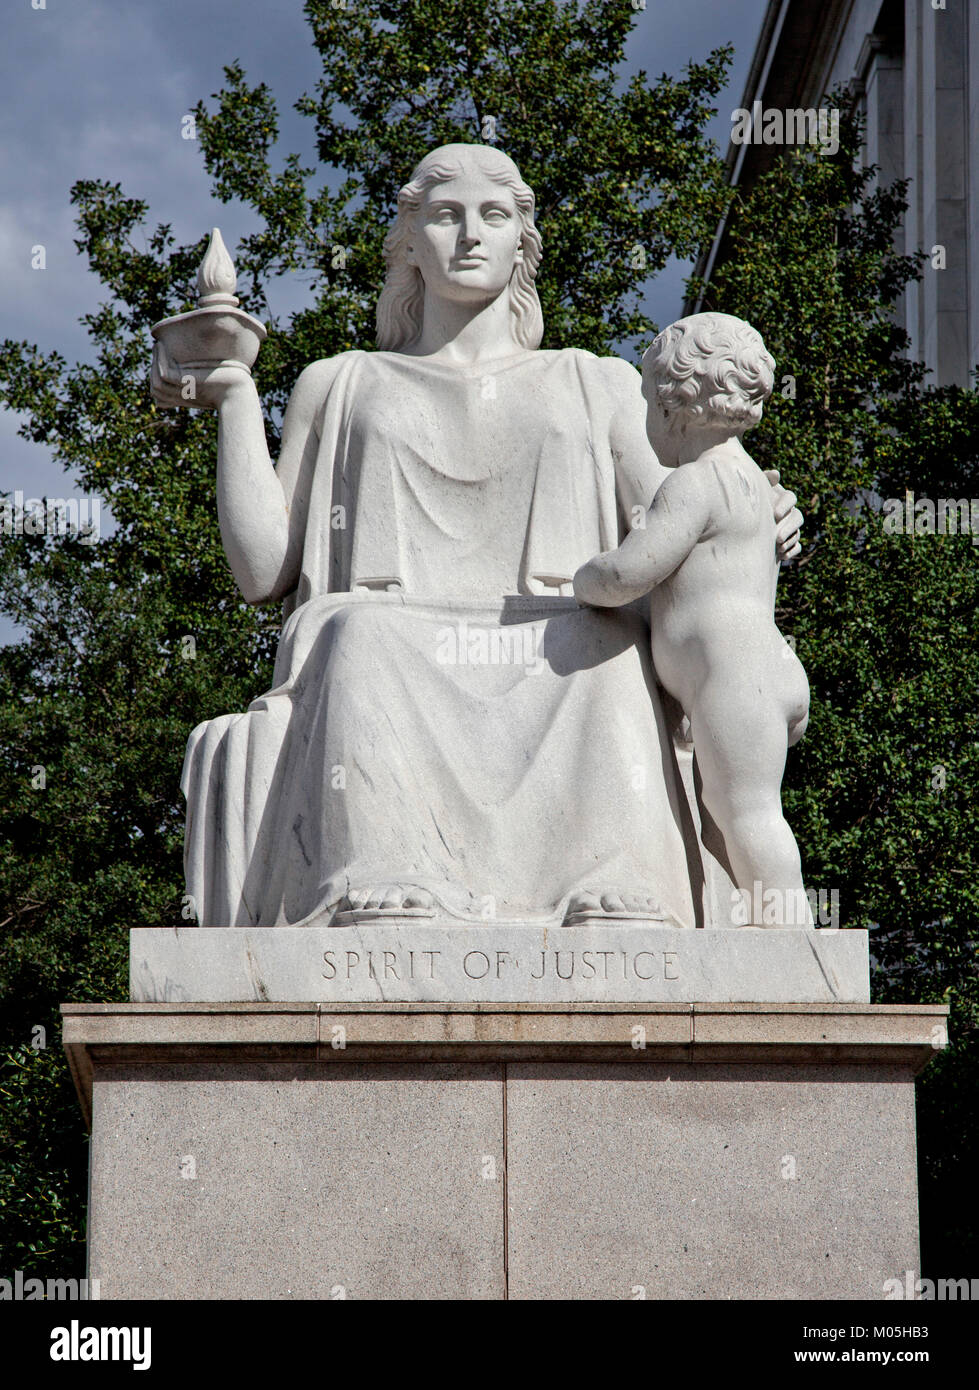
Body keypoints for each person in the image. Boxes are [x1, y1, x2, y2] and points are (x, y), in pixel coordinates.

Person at [151, 144, 803, 930]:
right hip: (391, 636)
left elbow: (689, 507)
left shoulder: (594, 383)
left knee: (607, 644)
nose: (469, 235)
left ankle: (617, 883)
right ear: (409, 241)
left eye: (492, 216)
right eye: (444, 215)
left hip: (560, 636)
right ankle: (388, 876)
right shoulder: (343, 380)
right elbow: (262, 571)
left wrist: (766, 513)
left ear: (521, 243)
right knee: (362, 634)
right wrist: (233, 399)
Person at [573, 313, 811, 927]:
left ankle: (789, 942)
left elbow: (632, 571)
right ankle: (747, 922)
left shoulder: (694, 485)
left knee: (746, 810)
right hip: (755, 670)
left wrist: (586, 577)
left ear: (679, 404)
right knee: (728, 806)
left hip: (735, 677)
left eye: (652, 402)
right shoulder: (755, 482)